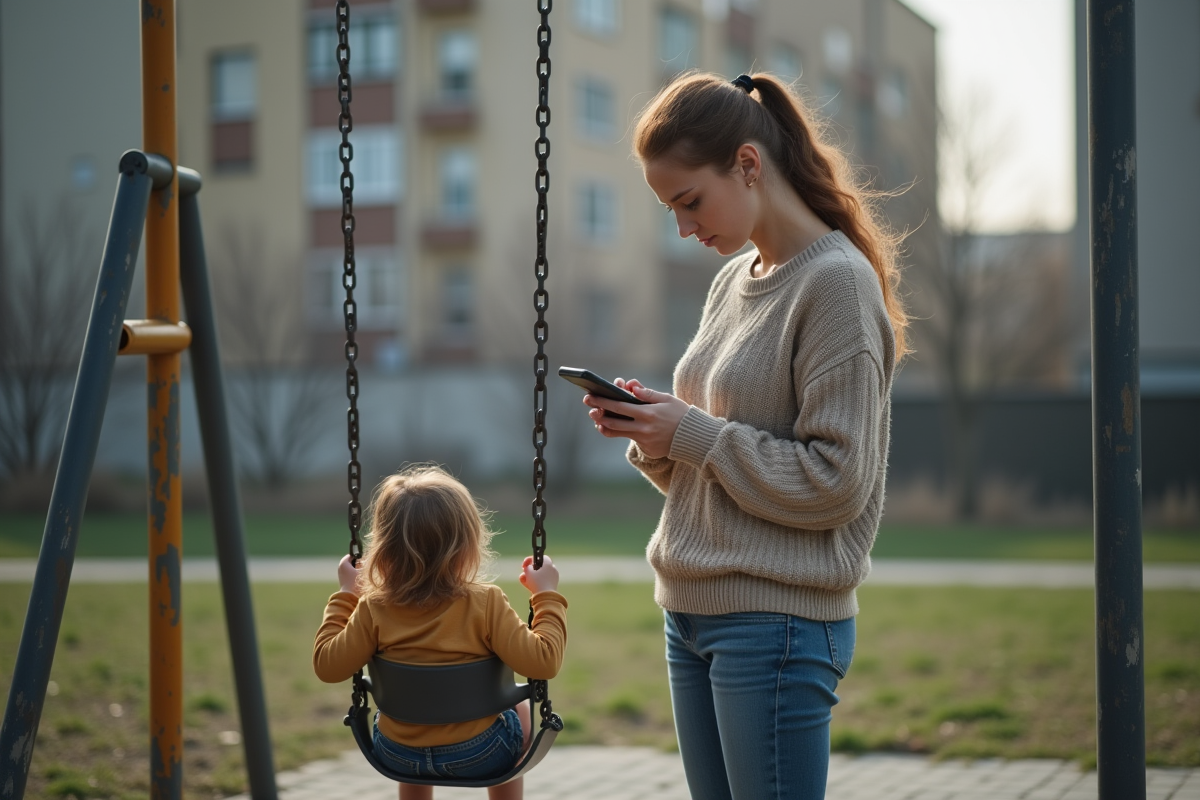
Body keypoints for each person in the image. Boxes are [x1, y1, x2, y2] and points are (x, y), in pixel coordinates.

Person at [580, 72, 909, 800]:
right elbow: (715, 462)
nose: (683, 227)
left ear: (748, 164)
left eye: (690, 201)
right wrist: (658, 435)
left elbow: (836, 484)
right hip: (690, 611)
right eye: (671, 209)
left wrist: (693, 433)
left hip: (776, 623)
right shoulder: (732, 282)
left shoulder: (837, 285)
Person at [313, 464, 567, 800]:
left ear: (384, 548)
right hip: (481, 754)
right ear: (467, 546)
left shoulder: (374, 607)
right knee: (518, 709)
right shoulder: (486, 602)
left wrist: (347, 594)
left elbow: (327, 667)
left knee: (412, 721)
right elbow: (544, 662)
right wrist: (545, 594)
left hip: (397, 753)